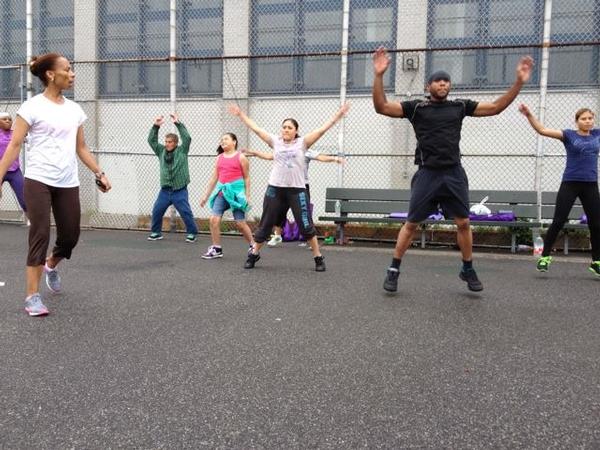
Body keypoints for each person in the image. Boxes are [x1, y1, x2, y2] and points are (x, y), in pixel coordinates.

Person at [372, 46, 534, 293]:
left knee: (464, 223)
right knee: (411, 223)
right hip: (427, 174)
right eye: (437, 81)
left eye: (446, 81)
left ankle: (467, 268)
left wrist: (518, 83)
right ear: (428, 86)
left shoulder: (460, 106)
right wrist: (379, 75)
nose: (443, 84)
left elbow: (495, 108)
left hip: (453, 174)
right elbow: (381, 107)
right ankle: (393, 268)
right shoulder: (416, 108)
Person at [0, 52, 112, 316]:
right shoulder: (31, 107)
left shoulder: (75, 110)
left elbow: (81, 147)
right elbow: (14, 145)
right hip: (38, 178)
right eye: (67, 69)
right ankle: (32, 296)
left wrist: (99, 173)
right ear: (51, 74)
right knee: (39, 233)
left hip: (67, 180)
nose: (72, 74)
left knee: (70, 236)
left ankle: (51, 264)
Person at [228, 103, 350, 271]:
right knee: (266, 223)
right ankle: (253, 254)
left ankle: (318, 257)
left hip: (296, 190)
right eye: (284, 127)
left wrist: (338, 115)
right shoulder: (275, 141)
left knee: (305, 224)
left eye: (289, 127)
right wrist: (240, 114)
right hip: (275, 189)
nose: (285, 130)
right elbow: (256, 129)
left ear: (295, 131)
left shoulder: (302, 143)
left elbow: (322, 129)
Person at [519, 104, 600, 275]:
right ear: (577, 121)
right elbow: (542, 130)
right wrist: (529, 115)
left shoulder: (597, 135)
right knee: (558, 221)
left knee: (596, 224)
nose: (587, 121)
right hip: (570, 183)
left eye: (590, 118)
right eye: (583, 118)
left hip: (591, 185)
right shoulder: (568, 135)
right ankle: (545, 258)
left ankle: (596, 261)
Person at [244, 147, 344, 247]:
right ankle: (277, 235)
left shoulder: (306, 151)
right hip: (284, 186)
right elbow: (269, 156)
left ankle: (310, 241)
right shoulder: (284, 150)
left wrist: (334, 159)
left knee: (304, 214)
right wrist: (254, 153)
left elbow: (321, 157)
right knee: (279, 211)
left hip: (301, 187)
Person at [199, 132, 255, 259]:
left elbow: (247, 178)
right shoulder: (219, 158)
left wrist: (247, 196)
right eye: (221, 140)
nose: (223, 141)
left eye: (226, 139)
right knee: (214, 219)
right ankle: (216, 248)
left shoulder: (241, 157)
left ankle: (253, 245)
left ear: (234, 142)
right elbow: (214, 178)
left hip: (236, 194)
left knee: (240, 223)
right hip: (222, 192)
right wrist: (205, 196)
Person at [147, 114, 198, 242]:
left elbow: (187, 138)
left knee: (185, 212)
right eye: (166, 142)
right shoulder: (161, 151)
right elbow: (151, 141)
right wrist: (156, 126)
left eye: (170, 142)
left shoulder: (182, 151)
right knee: (157, 210)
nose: (167, 144)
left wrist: (178, 123)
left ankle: (192, 233)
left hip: (179, 190)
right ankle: (156, 232)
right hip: (165, 190)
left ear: (175, 143)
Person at [0, 112, 27, 219]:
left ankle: (30, 219)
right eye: (4, 119)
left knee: (24, 198)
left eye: (9, 119)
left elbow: (28, 137)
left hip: (14, 171)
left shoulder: (16, 133)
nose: (7, 121)